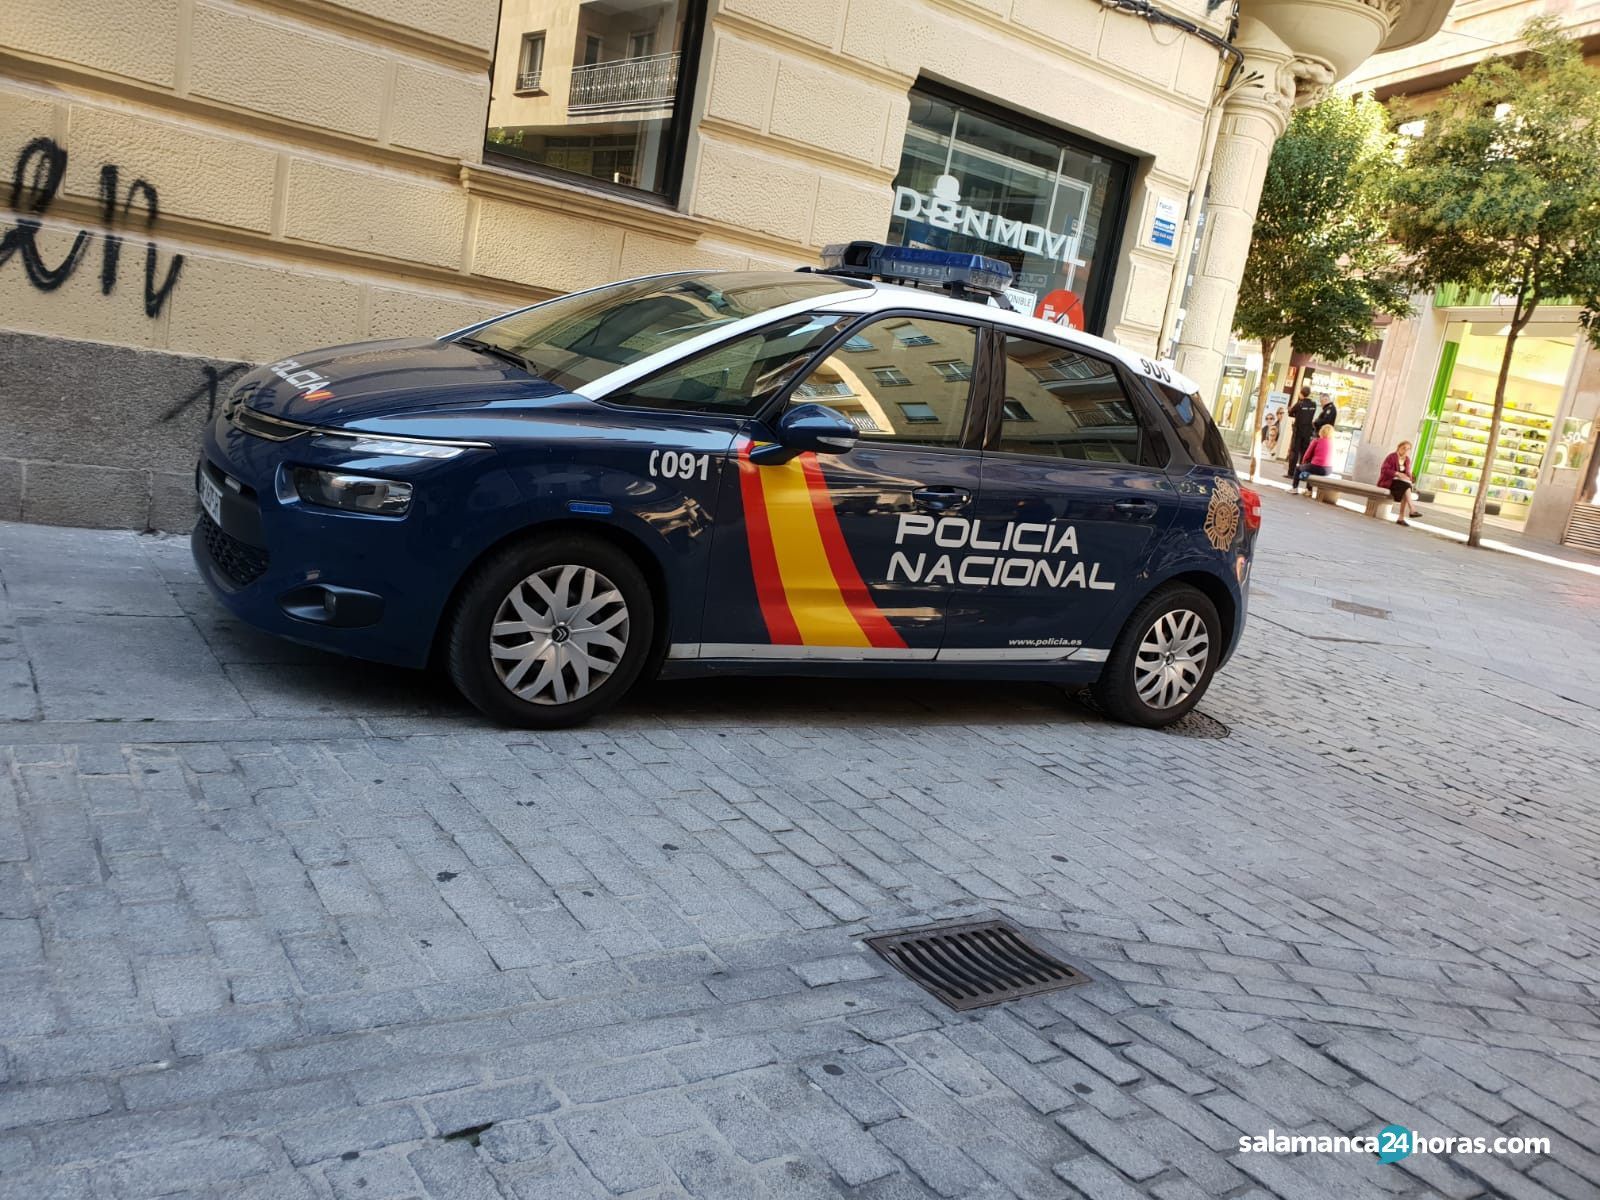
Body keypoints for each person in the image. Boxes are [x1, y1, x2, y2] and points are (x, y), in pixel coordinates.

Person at [1378, 439, 1419, 526]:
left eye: (1408, 449)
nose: (1405, 450)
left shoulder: (1407, 459)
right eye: (1404, 448)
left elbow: (1407, 472)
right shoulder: (1391, 456)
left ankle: (1403, 516)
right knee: (1406, 487)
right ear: (1399, 447)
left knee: (1406, 487)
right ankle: (1410, 511)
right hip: (1388, 481)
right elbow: (1384, 470)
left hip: (1401, 483)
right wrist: (1397, 473)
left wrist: (1410, 478)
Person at [1293, 425, 1336, 494]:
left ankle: (1294, 489)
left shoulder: (1316, 441)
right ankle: (1308, 490)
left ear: (1321, 431)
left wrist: (1303, 464)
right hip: (1328, 469)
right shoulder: (1332, 443)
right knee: (1311, 469)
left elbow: (1307, 455)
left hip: (1317, 467)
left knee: (1298, 468)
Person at [1285, 388, 1317, 479]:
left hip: (1298, 430)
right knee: (1305, 453)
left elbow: (1291, 413)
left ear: (1301, 393)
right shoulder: (1314, 405)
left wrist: (1295, 413)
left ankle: (1291, 473)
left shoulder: (1299, 404)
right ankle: (1303, 474)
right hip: (1308, 431)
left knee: (1294, 452)